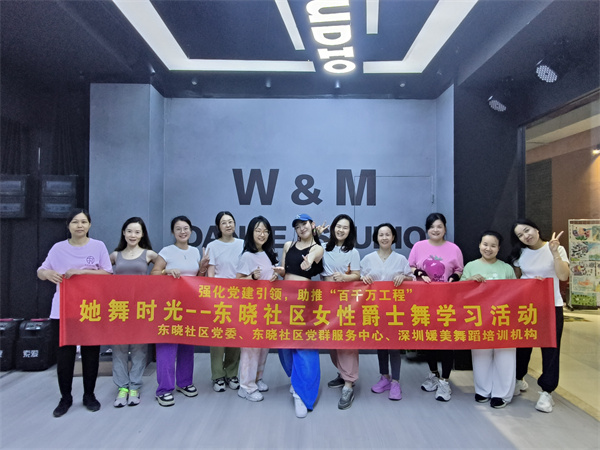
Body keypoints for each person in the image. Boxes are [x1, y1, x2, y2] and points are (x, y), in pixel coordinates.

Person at [37, 208, 112, 417]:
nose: (80, 226)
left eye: (83, 222)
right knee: (65, 356)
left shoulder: (98, 246)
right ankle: (65, 398)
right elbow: (40, 271)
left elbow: (108, 273)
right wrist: (47, 273)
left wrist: (82, 272)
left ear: (90, 225)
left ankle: (89, 395)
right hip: (63, 310)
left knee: (91, 354)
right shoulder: (58, 248)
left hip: (90, 309)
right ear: (68, 225)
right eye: (75, 222)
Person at [510, 219, 569, 413]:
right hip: (527, 307)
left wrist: (554, 253)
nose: (525, 236)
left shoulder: (556, 249)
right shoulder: (520, 254)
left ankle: (547, 391)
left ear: (536, 228)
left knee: (551, 348)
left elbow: (563, 276)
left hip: (551, 306)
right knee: (523, 344)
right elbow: (517, 281)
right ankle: (518, 378)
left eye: (527, 230)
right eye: (520, 235)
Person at [151, 215, 208, 407]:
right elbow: (153, 274)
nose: (183, 232)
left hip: (189, 306)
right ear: (173, 232)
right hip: (169, 306)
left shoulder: (194, 252)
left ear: (191, 231)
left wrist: (202, 268)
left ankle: (184, 382)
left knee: (187, 346)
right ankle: (164, 389)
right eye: (178, 229)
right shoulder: (166, 251)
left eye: (186, 228)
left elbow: (197, 278)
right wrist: (166, 271)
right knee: (167, 348)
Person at [408, 212, 463, 402]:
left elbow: (459, 270)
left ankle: (445, 382)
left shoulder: (454, 249)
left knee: (446, 341)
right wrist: (419, 272)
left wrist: (454, 277)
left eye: (439, 226)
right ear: (427, 229)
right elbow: (411, 266)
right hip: (424, 303)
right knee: (429, 340)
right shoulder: (418, 246)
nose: (435, 230)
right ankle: (433, 374)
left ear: (445, 228)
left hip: (446, 303)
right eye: (432, 227)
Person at [274, 213, 324, 418]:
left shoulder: (317, 248)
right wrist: (278, 271)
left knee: (304, 345)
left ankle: (302, 394)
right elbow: (284, 271)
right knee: (284, 344)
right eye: (297, 226)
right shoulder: (288, 245)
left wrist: (308, 261)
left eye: (304, 224)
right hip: (286, 299)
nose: (301, 228)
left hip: (305, 301)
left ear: (312, 225)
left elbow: (314, 256)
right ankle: (296, 379)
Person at [461, 230, 516, 408]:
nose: (488, 248)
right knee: (480, 356)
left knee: (505, 357)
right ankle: (483, 390)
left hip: (503, 319)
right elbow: (459, 292)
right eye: (485, 244)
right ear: (479, 245)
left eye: (493, 246)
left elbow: (517, 293)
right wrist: (469, 281)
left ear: (499, 248)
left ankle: (502, 394)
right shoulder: (470, 266)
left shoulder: (506, 269)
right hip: (479, 319)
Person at [361, 223, 413, 401]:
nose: (384, 238)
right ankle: (384, 377)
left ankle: (396, 382)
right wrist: (364, 278)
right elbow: (359, 278)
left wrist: (404, 277)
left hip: (395, 310)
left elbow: (412, 279)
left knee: (394, 346)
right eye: (381, 234)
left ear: (393, 238)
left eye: (388, 234)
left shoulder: (401, 259)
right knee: (381, 344)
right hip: (375, 309)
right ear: (376, 238)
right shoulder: (368, 259)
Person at [109, 217, 158, 407]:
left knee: (139, 349)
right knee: (119, 349)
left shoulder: (149, 254)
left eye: (137, 232)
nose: (133, 235)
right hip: (119, 308)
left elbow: (163, 269)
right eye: (129, 231)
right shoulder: (115, 255)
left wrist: (168, 272)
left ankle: (135, 386)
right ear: (123, 232)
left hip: (140, 308)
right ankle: (122, 388)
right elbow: (101, 275)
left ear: (142, 234)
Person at [235, 216, 279, 402]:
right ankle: (246, 387)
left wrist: (275, 277)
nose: (262, 234)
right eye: (258, 230)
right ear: (251, 233)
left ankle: (257, 378)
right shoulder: (247, 256)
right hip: (250, 309)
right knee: (250, 349)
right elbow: (237, 283)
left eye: (265, 231)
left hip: (266, 308)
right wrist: (251, 278)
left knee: (262, 347)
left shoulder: (267, 254)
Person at [321, 214, 361, 410]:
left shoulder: (353, 251)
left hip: (346, 303)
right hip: (327, 301)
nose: (341, 230)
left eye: (345, 227)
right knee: (333, 341)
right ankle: (342, 373)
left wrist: (344, 279)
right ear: (333, 228)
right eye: (338, 226)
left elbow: (357, 275)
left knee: (347, 342)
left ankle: (348, 384)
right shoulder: (323, 248)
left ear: (350, 231)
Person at [206, 211, 243, 392]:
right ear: (218, 227)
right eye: (224, 222)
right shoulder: (212, 246)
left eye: (230, 221)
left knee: (235, 336)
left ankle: (232, 373)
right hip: (219, 297)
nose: (228, 225)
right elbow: (211, 273)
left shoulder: (243, 244)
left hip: (239, 296)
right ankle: (217, 375)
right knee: (218, 338)